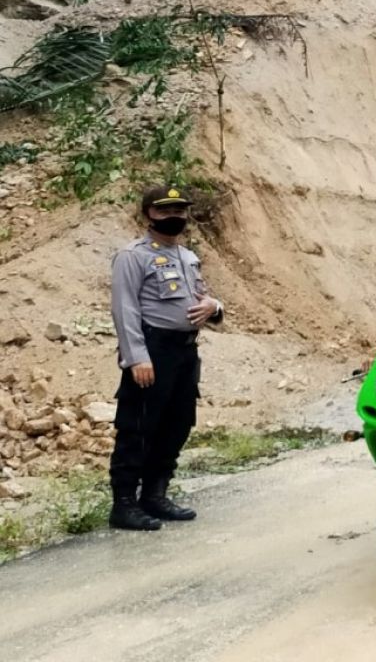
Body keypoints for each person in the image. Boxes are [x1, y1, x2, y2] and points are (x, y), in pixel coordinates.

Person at [109, 185, 224, 531]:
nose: (174, 216)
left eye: (179, 210)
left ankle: (155, 495)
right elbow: (124, 309)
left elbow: (203, 300)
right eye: (165, 211)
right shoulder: (133, 256)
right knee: (138, 426)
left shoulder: (188, 257)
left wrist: (215, 307)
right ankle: (124, 504)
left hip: (185, 352)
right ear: (149, 215)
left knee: (177, 424)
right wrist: (137, 357)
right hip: (152, 350)